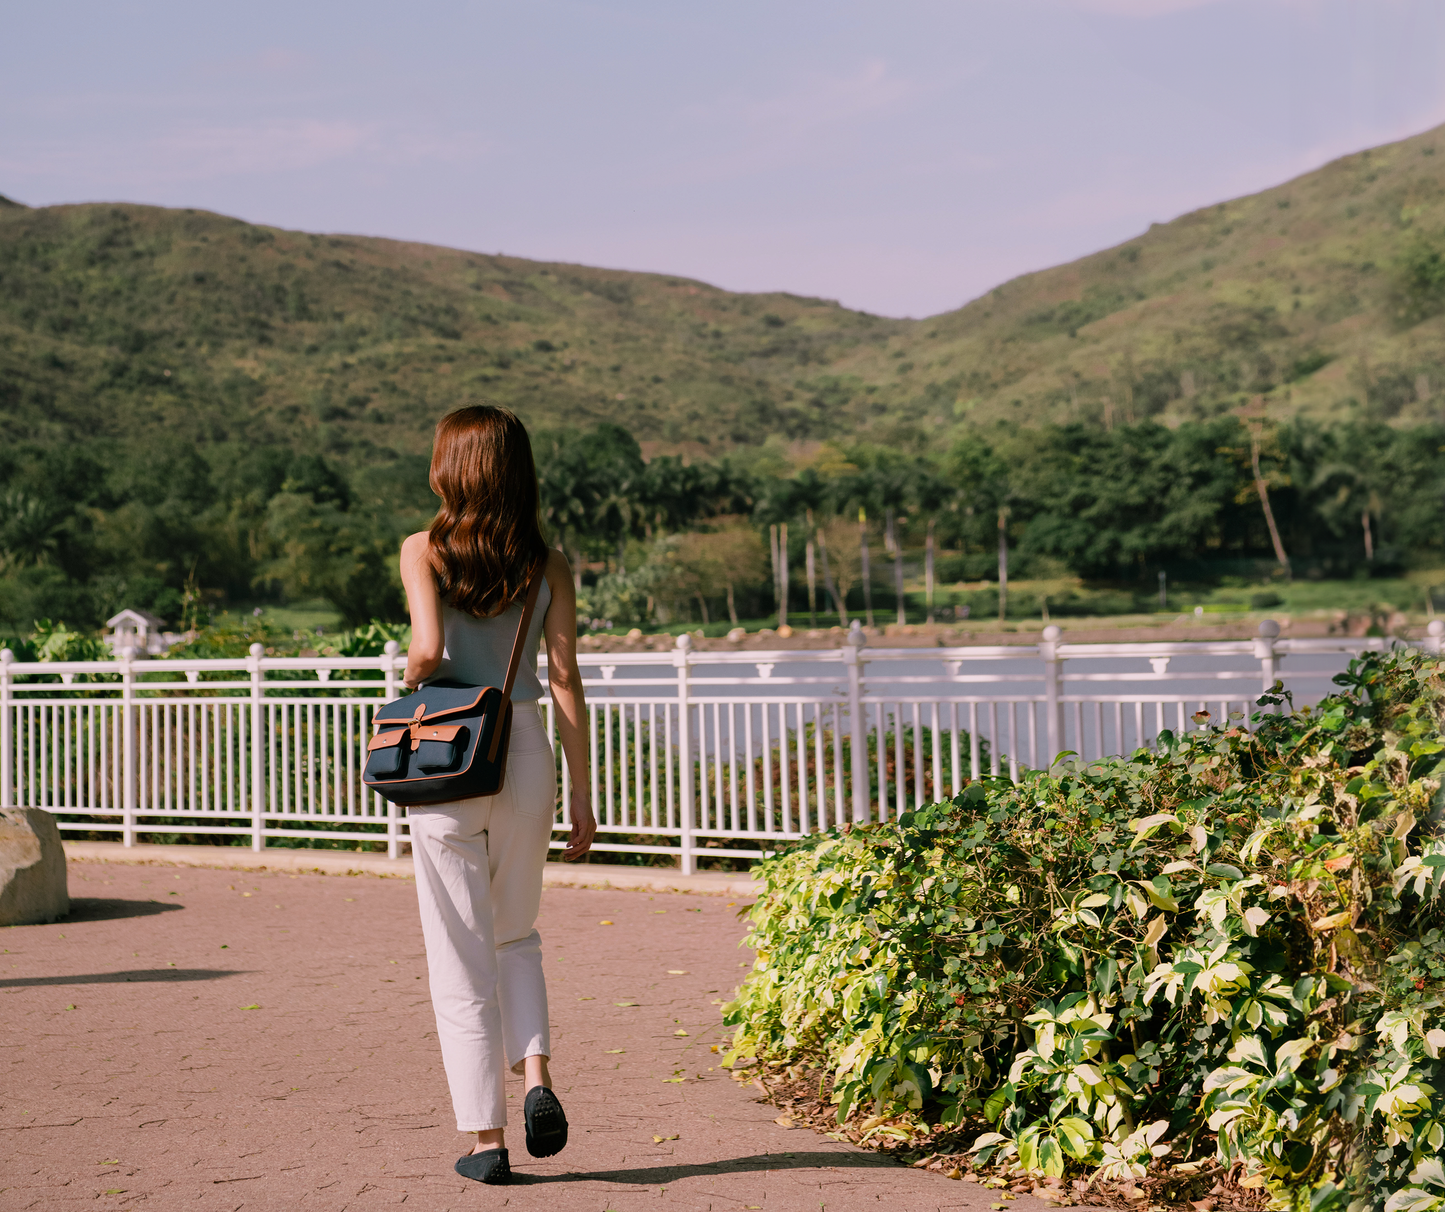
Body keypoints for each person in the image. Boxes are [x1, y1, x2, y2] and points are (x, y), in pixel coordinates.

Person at [398, 404, 596, 1186]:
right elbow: (566, 679)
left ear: (451, 467)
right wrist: (582, 793)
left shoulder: (424, 549)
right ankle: (537, 1078)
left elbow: (427, 650)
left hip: (449, 753)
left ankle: (486, 1139)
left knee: (458, 953)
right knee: (517, 934)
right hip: (521, 748)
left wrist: (413, 683)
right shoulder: (546, 562)